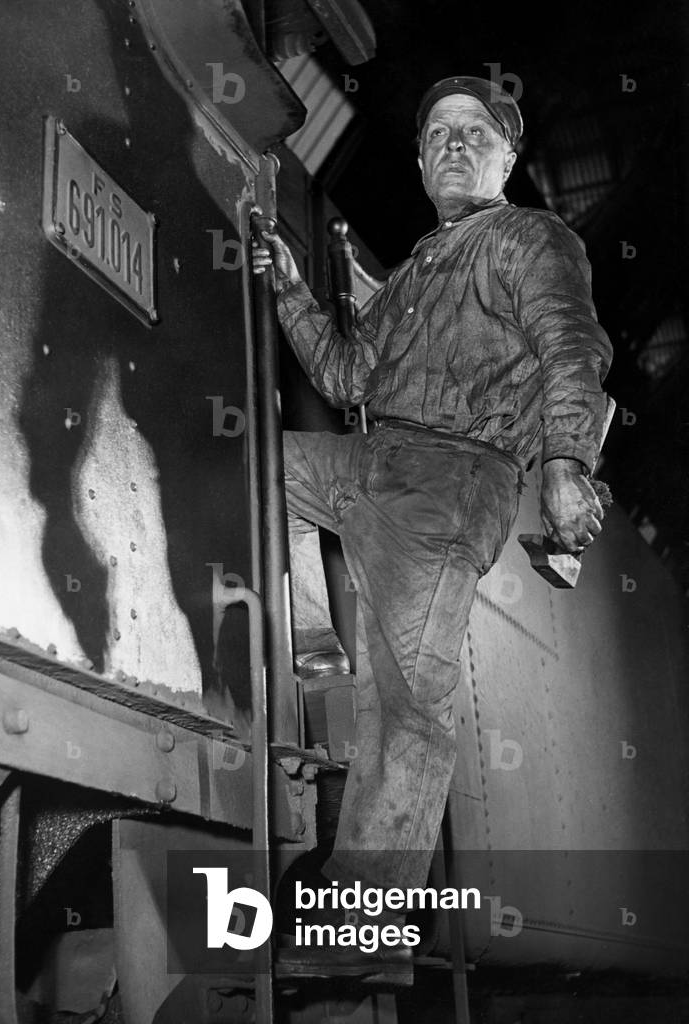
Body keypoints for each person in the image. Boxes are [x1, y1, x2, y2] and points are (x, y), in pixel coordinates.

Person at [252, 76, 612, 972]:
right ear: (418, 162)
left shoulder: (532, 239)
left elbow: (574, 345)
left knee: (409, 698)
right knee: (247, 467)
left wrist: (567, 463)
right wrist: (294, 291)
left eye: (475, 132)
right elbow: (345, 379)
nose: (455, 143)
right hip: (370, 459)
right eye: (439, 133)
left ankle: (363, 931)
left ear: (508, 158)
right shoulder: (416, 268)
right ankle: (310, 625)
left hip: (453, 480)